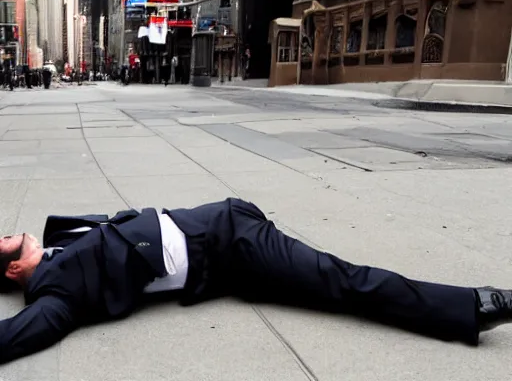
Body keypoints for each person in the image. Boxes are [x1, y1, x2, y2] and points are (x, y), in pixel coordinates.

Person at [0, 198, 510, 365]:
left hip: (227, 219)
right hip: (231, 252)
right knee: (342, 281)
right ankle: (473, 305)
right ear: (12, 269)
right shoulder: (55, 291)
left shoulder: (61, 239)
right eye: (2, 242)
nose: (7, 233)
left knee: (333, 281)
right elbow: (28, 330)